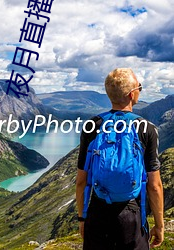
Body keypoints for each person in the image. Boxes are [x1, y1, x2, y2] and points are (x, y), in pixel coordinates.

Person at [76, 68, 164, 250]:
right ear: (132, 94)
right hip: (131, 215)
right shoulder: (146, 129)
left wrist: (82, 218)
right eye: (140, 87)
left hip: (98, 212)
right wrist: (159, 225)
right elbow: (154, 185)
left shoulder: (92, 125)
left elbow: (81, 181)